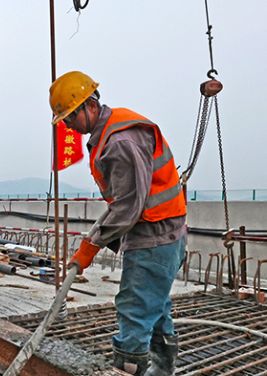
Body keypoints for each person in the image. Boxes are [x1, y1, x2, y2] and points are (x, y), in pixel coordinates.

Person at [50, 71, 186, 376]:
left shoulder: (119, 142)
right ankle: (163, 371)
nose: (66, 124)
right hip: (167, 233)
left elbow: (128, 207)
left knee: (135, 308)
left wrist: (91, 245)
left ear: (89, 106)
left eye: (68, 117)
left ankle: (128, 370)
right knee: (156, 306)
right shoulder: (115, 129)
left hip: (154, 237)